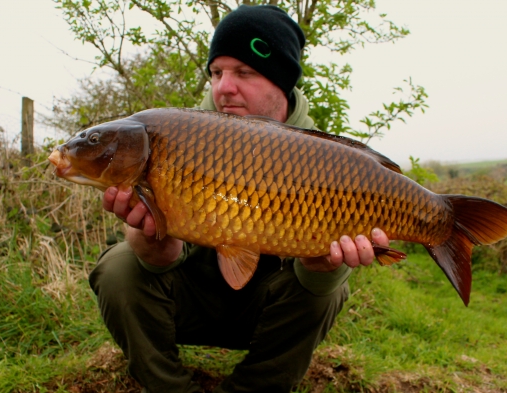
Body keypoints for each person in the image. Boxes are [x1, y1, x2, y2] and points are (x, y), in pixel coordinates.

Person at [89, 5, 389, 393]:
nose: (223, 88)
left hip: (267, 313)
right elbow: (161, 262)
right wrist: (149, 235)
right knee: (119, 265)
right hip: (192, 303)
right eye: (217, 72)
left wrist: (322, 263)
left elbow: (315, 290)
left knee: (329, 291)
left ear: (281, 81)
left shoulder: (327, 159)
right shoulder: (182, 137)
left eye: (244, 72)